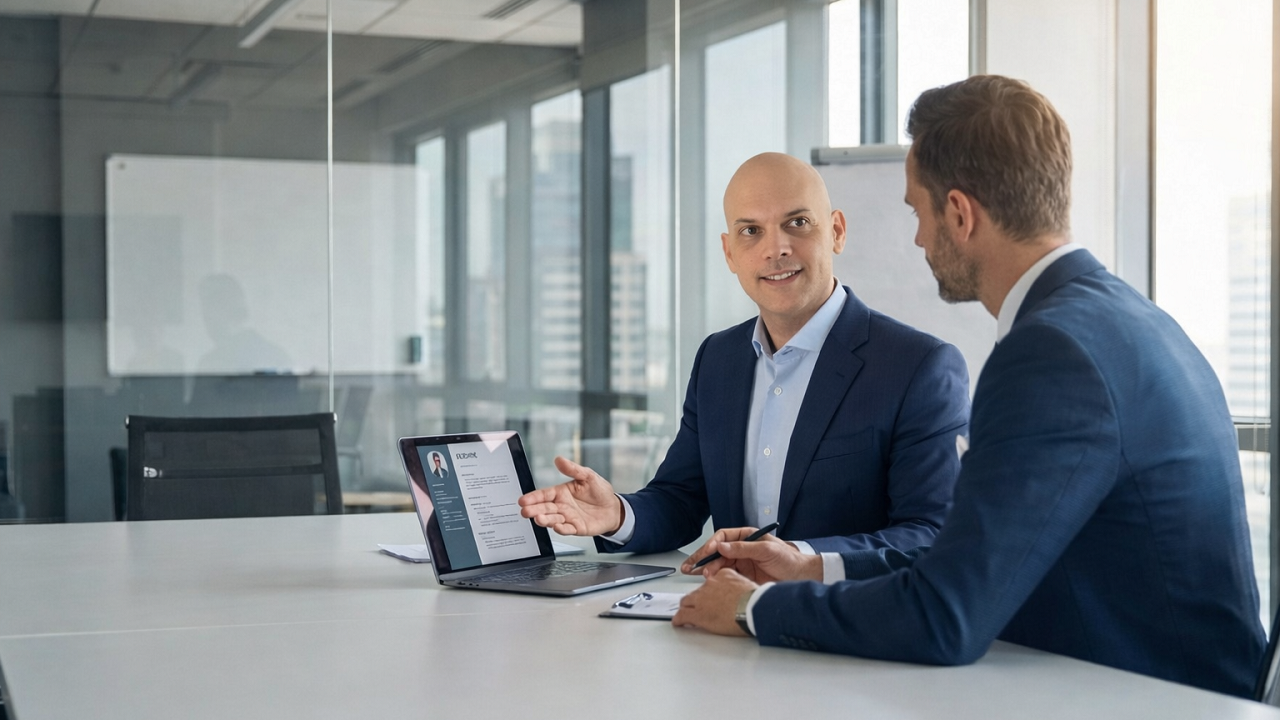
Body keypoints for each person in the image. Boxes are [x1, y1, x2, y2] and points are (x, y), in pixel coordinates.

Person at [671, 75, 1266, 699]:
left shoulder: (1050, 354)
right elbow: (981, 555)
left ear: (959, 213)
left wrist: (753, 612)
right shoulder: (1128, 319)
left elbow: (946, 615)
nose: (919, 239)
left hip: (1145, 701)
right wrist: (812, 566)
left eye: (917, 213)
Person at [519, 152, 969, 559]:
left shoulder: (918, 368)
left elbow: (930, 534)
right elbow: (680, 498)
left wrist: (798, 559)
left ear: (836, 231)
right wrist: (617, 514)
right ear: (730, 252)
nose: (775, 249)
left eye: (797, 223)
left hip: (845, 635)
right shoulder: (719, 360)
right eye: (751, 231)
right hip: (726, 631)